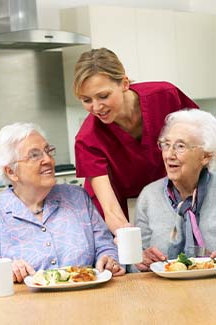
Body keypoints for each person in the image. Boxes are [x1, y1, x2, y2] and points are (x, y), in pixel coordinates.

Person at [74, 47, 199, 234]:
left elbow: (204, 139)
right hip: (118, 204)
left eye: (103, 96)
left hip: (172, 193)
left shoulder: (165, 96)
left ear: (124, 83)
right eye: (86, 100)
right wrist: (130, 240)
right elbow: (110, 209)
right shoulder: (88, 139)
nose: (96, 107)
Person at [0, 122, 125, 283]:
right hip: (30, 306)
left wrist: (109, 259)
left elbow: (105, 245)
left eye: (47, 151)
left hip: (86, 299)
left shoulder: (77, 198)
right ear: (11, 171)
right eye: (34, 155)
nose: (48, 160)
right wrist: (5, 272)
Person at [129, 109, 216, 272]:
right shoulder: (149, 196)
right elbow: (134, 264)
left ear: (205, 156)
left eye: (180, 146)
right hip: (164, 292)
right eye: (166, 144)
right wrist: (141, 261)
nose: (169, 155)